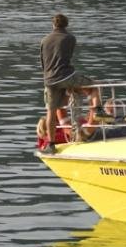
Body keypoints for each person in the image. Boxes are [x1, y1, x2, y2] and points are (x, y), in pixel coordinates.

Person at [39, 14, 111, 154]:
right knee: (94, 86)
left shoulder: (44, 40)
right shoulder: (70, 38)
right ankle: (98, 112)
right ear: (66, 25)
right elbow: (68, 57)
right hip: (67, 76)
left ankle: (51, 145)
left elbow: (43, 62)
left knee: (51, 112)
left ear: (53, 25)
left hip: (49, 80)